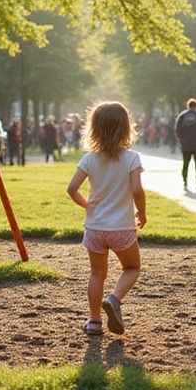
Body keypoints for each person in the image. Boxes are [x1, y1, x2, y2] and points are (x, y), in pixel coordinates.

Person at [66, 101, 146, 335]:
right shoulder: (132, 158)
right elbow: (138, 190)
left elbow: (72, 188)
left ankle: (93, 321)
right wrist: (141, 212)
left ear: (94, 129)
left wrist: (87, 205)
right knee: (132, 267)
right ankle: (114, 298)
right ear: (125, 129)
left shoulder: (90, 159)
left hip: (95, 228)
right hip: (122, 227)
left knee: (96, 273)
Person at [174, 98, 196, 189]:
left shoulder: (182, 116)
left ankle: (185, 181)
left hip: (186, 144)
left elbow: (177, 129)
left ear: (188, 106)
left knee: (186, 163)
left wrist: (180, 139)